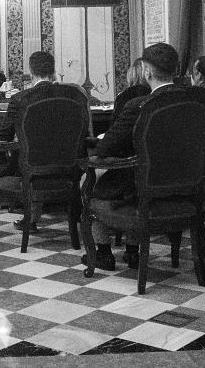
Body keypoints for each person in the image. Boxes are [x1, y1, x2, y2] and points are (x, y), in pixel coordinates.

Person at [84, 42, 186, 271]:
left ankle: (103, 252)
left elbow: (105, 148)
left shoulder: (138, 105)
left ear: (146, 72)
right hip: (184, 189)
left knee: (91, 186)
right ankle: (132, 251)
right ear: (176, 69)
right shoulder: (196, 101)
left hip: (142, 185)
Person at [0, 51, 57, 232]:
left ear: (31, 72)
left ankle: (30, 218)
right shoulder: (73, 95)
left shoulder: (21, 98)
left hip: (30, 168)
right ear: (53, 71)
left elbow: (3, 135)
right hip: (67, 168)